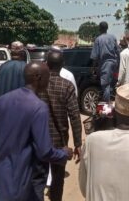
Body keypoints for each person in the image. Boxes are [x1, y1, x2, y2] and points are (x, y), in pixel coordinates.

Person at [0, 62, 73, 201]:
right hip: (24, 178)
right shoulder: (39, 107)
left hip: (1, 173)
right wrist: (64, 153)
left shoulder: (4, 99)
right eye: (47, 76)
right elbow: (44, 151)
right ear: (38, 77)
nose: (49, 80)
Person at [39, 48, 82, 201]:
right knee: (58, 180)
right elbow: (75, 116)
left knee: (38, 178)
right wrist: (78, 143)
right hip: (60, 141)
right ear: (62, 64)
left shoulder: (37, 85)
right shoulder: (67, 86)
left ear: (47, 64)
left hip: (38, 138)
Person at [90, 21, 120, 102]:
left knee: (105, 86)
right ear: (107, 28)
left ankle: (107, 107)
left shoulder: (98, 39)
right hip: (114, 64)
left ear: (99, 28)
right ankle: (111, 103)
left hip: (105, 65)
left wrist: (93, 68)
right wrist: (118, 65)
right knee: (111, 86)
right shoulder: (113, 37)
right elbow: (118, 52)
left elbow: (95, 56)